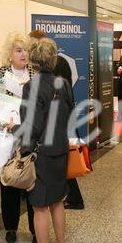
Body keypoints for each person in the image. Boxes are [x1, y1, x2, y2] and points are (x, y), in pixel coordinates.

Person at [17, 37, 72, 243]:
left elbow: (32, 124)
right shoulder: (64, 83)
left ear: (32, 59)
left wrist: (24, 148)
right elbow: (70, 111)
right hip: (61, 148)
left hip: (41, 153)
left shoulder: (32, 86)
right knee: (57, 200)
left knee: (40, 206)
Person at [0, 31, 36, 243]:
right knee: (9, 185)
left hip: (29, 135)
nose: (23, 54)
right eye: (18, 50)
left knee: (33, 184)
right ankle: (10, 228)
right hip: (5, 137)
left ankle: (36, 231)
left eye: (25, 49)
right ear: (9, 55)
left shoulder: (36, 75)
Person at [29, 30, 85, 211]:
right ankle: (67, 196)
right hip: (61, 123)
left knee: (63, 165)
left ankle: (73, 198)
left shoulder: (52, 68)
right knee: (63, 162)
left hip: (53, 127)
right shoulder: (60, 63)